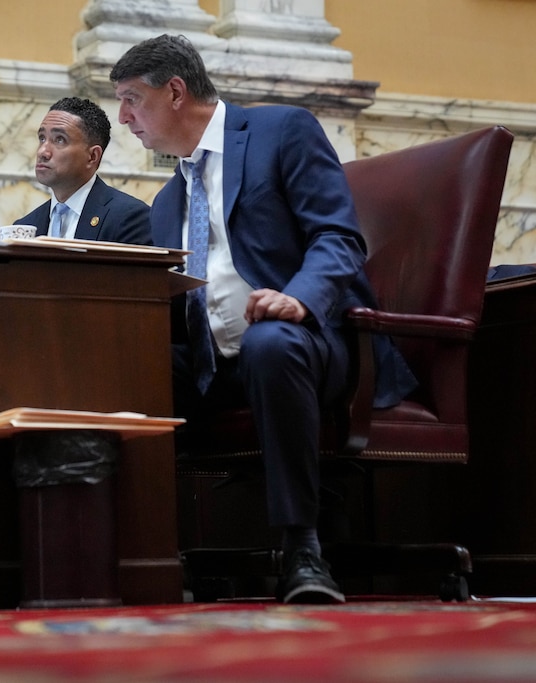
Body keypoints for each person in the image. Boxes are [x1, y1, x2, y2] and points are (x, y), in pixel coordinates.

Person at [109, 34, 417, 604]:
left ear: (175, 92)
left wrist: (299, 297)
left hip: (312, 342)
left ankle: (304, 550)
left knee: (271, 342)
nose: (124, 118)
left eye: (132, 99)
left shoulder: (281, 132)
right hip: (217, 360)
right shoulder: (167, 202)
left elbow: (338, 237)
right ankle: (136, 559)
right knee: (126, 370)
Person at [16, 96, 153, 245]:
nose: (42, 151)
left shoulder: (129, 218)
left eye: (59, 139)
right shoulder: (25, 226)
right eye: (42, 138)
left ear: (92, 156)